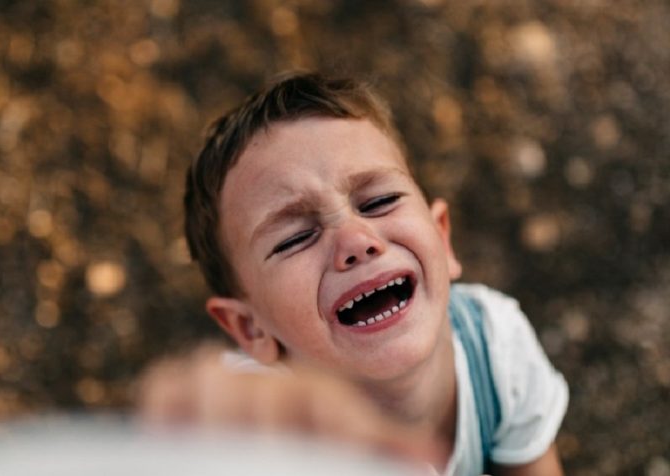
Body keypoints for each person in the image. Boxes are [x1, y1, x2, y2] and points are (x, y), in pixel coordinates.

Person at [139, 72, 568, 475]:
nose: (356, 239)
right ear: (250, 328)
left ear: (442, 239)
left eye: (379, 200)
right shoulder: (264, 438)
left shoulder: (496, 347)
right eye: (294, 239)